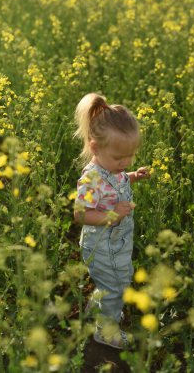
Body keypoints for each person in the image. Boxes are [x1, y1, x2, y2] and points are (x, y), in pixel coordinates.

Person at [74, 92, 150, 349]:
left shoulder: (114, 169)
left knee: (120, 277)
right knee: (115, 286)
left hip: (118, 241)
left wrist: (134, 175)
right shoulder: (92, 178)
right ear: (95, 148)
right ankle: (105, 331)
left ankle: (98, 303)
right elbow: (80, 214)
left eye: (130, 156)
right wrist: (112, 214)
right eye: (120, 158)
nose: (125, 162)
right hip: (100, 244)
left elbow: (119, 179)